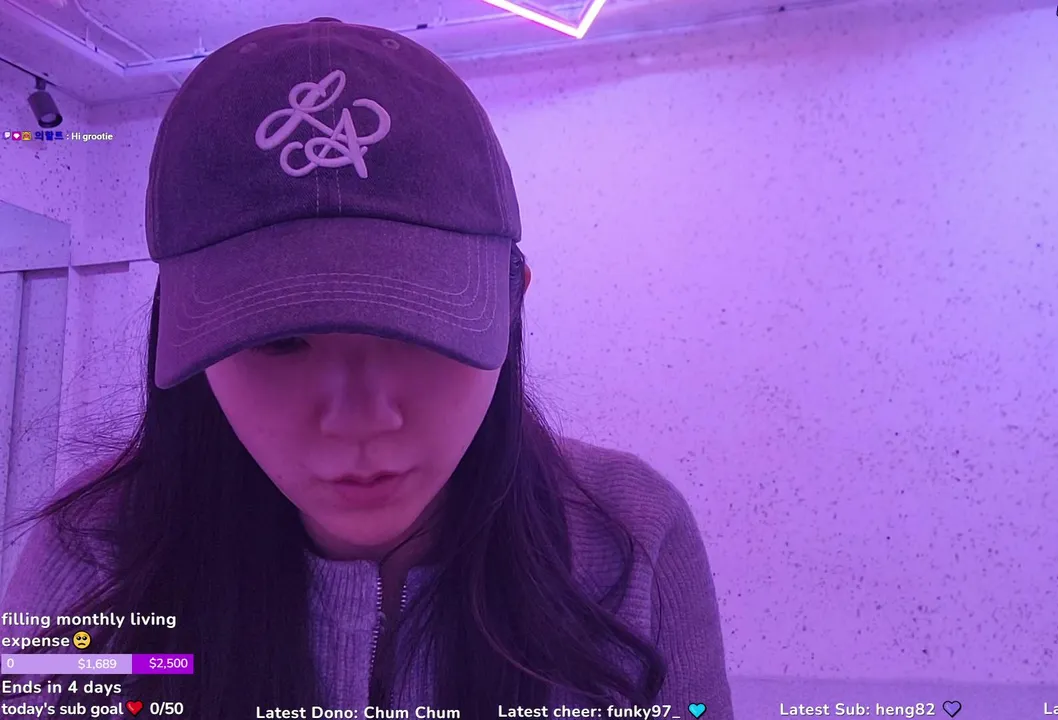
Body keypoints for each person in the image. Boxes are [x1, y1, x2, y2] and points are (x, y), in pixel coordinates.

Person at [0, 17, 733, 718]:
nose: (360, 419)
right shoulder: (94, 556)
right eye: (280, 341)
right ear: (187, 342)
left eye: (417, 328)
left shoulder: (631, 539)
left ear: (513, 303)